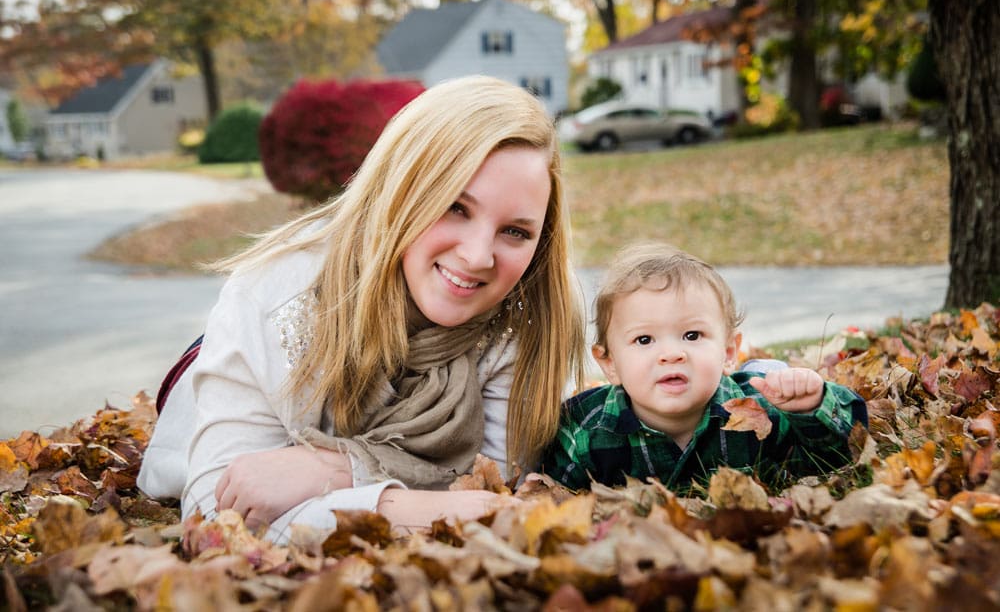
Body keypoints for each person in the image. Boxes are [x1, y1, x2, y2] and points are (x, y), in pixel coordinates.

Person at [138, 76, 587, 542]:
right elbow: (217, 514)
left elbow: (493, 491)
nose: (478, 257)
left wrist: (333, 471)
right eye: (455, 206)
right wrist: (396, 505)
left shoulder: (527, 312)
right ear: (402, 190)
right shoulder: (280, 294)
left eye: (515, 231)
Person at [541, 242, 868, 492]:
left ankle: (767, 367)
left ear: (728, 352)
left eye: (692, 335)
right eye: (644, 340)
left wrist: (811, 407)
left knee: (769, 377)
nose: (671, 354)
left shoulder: (760, 408)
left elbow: (838, 455)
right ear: (609, 363)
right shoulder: (585, 429)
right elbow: (555, 496)